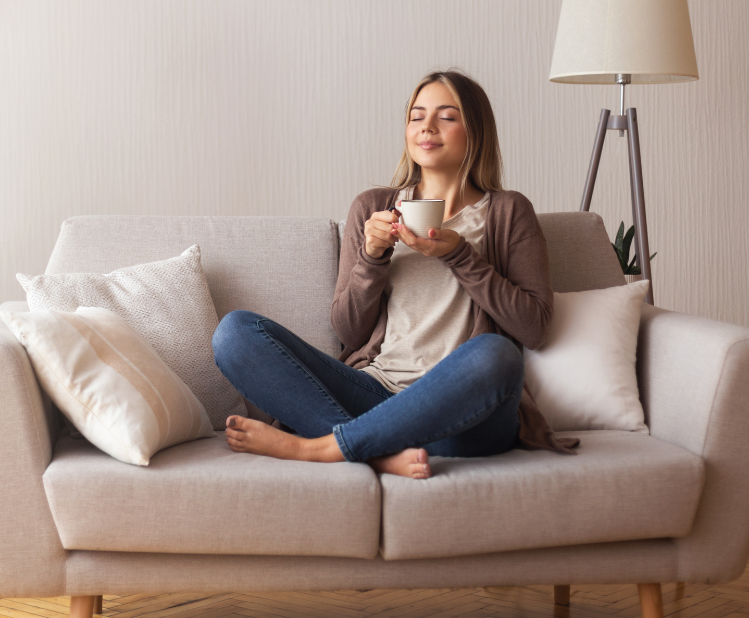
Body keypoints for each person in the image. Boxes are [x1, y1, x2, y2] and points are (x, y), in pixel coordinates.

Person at [212, 69, 576, 480]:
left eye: (447, 116)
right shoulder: (373, 208)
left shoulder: (508, 212)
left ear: (476, 130)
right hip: (376, 396)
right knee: (235, 332)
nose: (427, 127)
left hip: (463, 416)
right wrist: (372, 256)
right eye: (417, 116)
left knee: (497, 355)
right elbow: (349, 332)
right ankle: (376, 454)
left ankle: (319, 447)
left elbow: (534, 328)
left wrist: (460, 254)